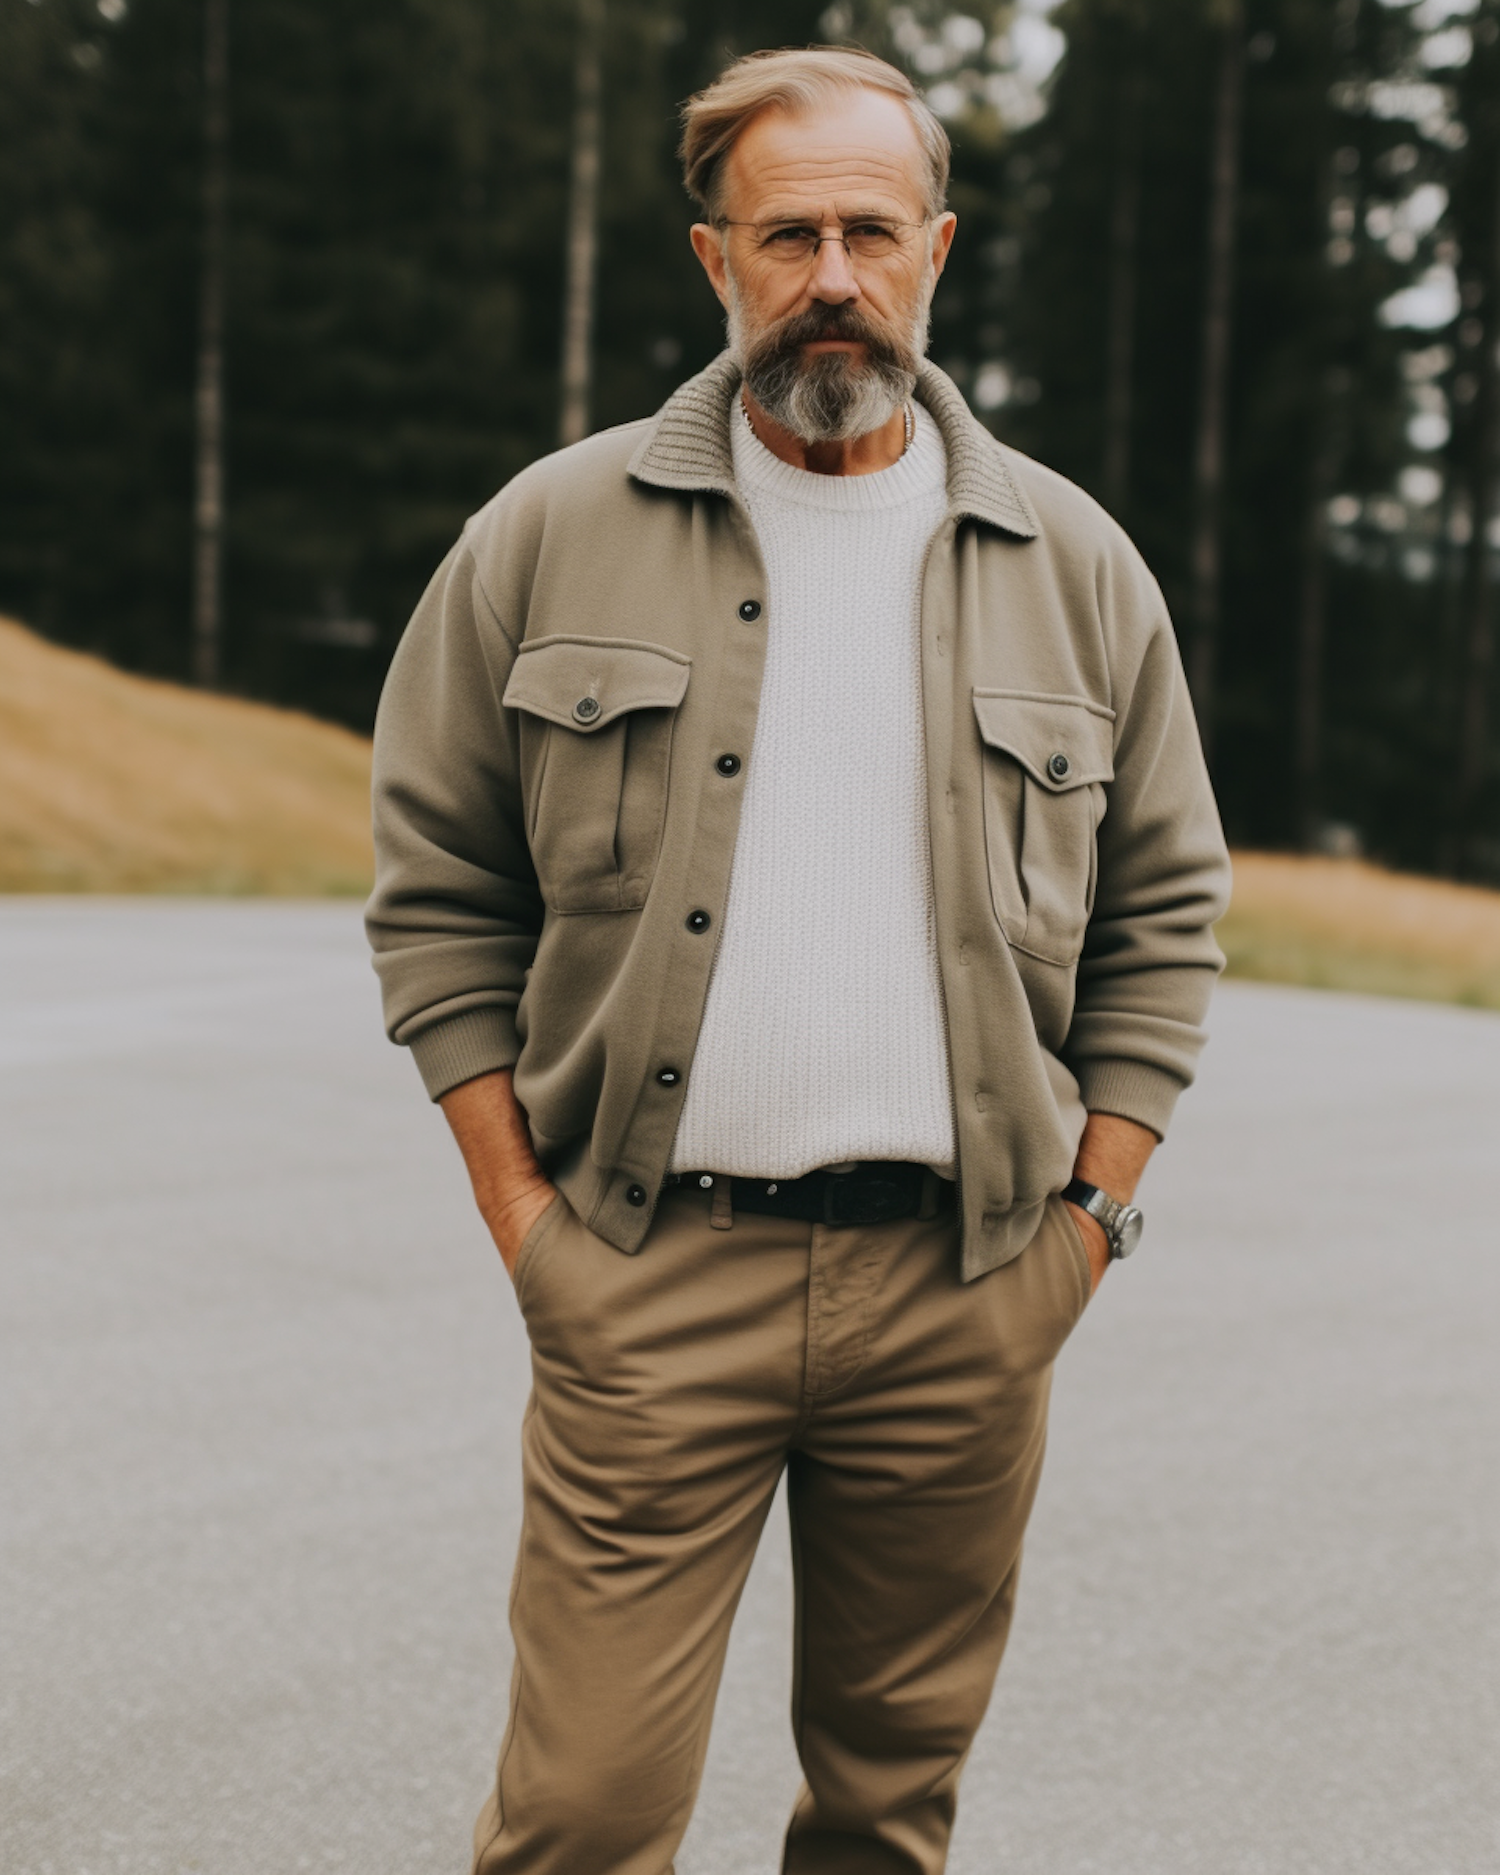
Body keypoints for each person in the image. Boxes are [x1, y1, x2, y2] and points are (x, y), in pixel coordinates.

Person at [366, 44, 1231, 1875]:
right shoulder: (549, 533)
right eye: (787, 235)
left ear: (935, 246)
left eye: (867, 229)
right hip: (648, 1278)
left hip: (967, 1288)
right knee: (581, 1818)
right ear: (715, 260)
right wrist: (530, 1226)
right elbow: (437, 887)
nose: (831, 274)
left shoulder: (1079, 566)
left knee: (885, 1814)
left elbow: (1169, 919)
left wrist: (1084, 1235)